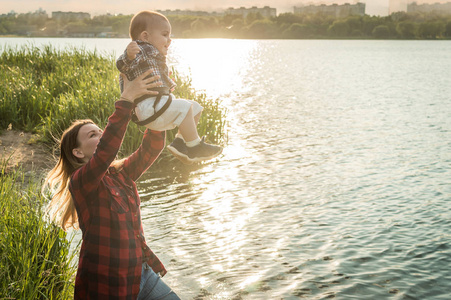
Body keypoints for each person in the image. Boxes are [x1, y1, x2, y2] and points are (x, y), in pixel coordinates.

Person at [44, 70, 180, 300]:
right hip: (108, 285)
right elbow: (107, 148)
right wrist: (126, 101)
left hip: (142, 274)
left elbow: (152, 147)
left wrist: (156, 105)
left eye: (100, 131)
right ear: (77, 152)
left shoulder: (119, 174)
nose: (100, 135)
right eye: (92, 135)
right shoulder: (81, 183)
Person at [116, 10, 222, 165]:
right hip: (148, 108)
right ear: (145, 36)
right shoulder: (141, 48)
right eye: (165, 35)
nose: (169, 40)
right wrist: (128, 56)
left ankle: (179, 143)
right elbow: (122, 65)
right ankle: (194, 147)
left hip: (157, 105)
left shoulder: (153, 55)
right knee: (186, 107)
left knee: (195, 108)